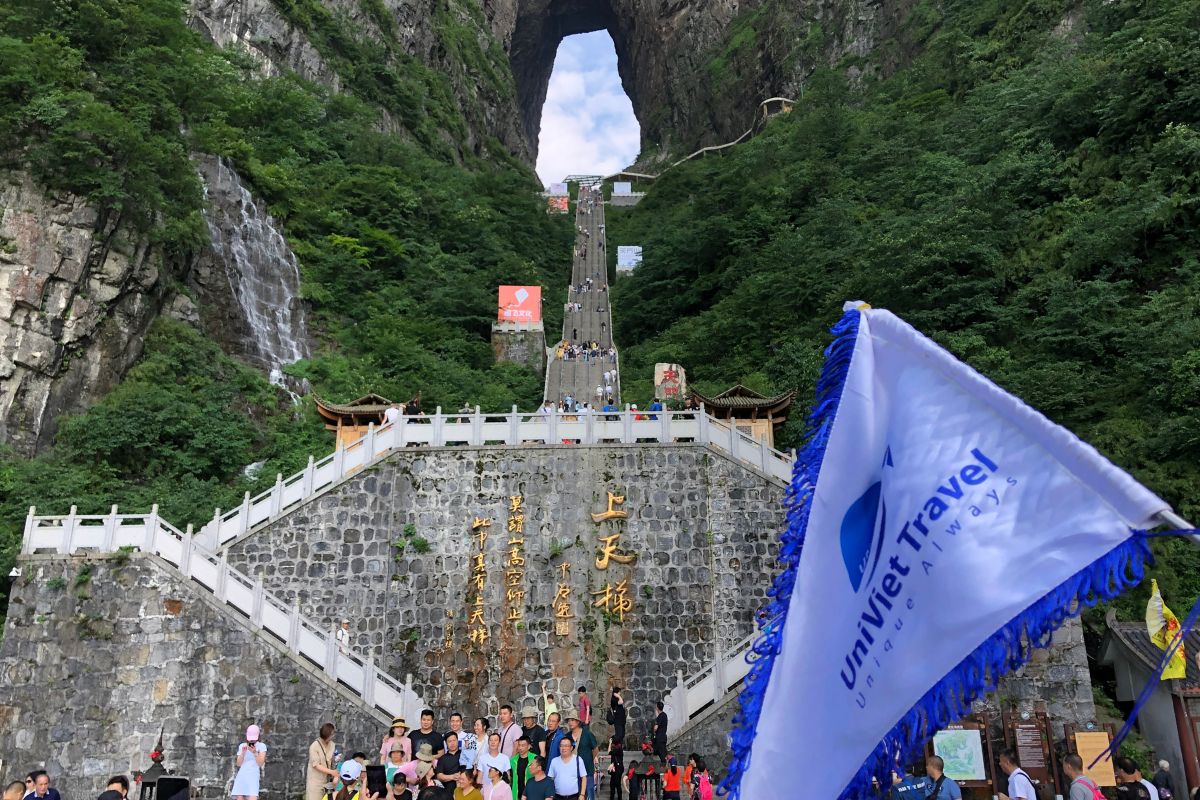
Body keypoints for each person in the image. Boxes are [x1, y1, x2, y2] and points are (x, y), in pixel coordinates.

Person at [567, 711, 598, 800]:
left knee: (589, 793)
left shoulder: (587, 734)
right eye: (569, 720)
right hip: (573, 771)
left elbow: (595, 749)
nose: (570, 722)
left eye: (572, 720)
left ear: (578, 722)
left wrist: (589, 759)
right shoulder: (567, 736)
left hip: (587, 769)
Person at [232, 724, 268, 800]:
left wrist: (255, 752)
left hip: (253, 776)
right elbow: (238, 764)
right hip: (242, 775)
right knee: (240, 797)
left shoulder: (262, 746)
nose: (252, 741)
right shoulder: (242, 746)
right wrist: (243, 753)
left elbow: (260, 763)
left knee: (253, 797)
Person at [309, 723, 341, 800]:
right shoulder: (314, 746)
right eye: (332, 734)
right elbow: (316, 765)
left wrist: (336, 760)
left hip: (328, 782)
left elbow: (333, 761)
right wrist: (331, 772)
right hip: (316, 782)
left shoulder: (332, 745)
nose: (333, 735)